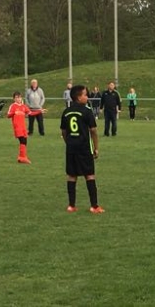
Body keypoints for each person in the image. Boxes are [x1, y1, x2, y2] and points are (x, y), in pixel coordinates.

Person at [60, 85, 103, 214]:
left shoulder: (66, 111)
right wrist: (96, 148)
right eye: (85, 95)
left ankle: (71, 205)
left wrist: (69, 142)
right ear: (78, 97)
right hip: (84, 148)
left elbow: (63, 131)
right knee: (89, 175)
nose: (87, 97)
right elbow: (93, 130)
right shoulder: (87, 111)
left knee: (72, 175)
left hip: (71, 148)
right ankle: (94, 206)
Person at [6, 91, 36, 164]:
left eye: (19, 97)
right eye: (16, 98)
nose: (18, 99)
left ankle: (21, 157)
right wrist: (14, 113)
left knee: (24, 142)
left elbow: (31, 113)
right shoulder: (13, 106)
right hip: (17, 127)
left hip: (23, 127)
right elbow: (8, 115)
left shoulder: (23, 106)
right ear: (14, 99)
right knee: (22, 141)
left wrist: (40, 111)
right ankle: (22, 158)